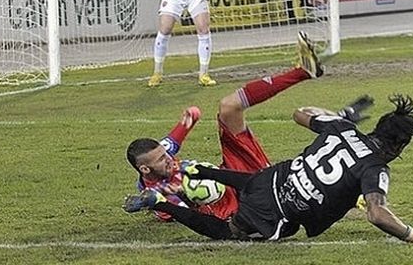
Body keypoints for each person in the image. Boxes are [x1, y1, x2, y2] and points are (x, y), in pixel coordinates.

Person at [124, 93, 413, 243]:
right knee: (226, 231)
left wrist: (340, 117)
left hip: (271, 178)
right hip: (277, 216)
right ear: (398, 146)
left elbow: (300, 113)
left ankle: (207, 173)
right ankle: (159, 202)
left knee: (257, 180)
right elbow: (377, 214)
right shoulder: (375, 168)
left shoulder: (342, 129)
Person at [124, 31, 324, 230]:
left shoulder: (161, 154)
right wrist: (183, 194)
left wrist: (189, 119)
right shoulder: (160, 194)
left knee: (229, 107)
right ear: (145, 169)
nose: (168, 158)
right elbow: (187, 215)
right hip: (236, 208)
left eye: (165, 153)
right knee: (292, 186)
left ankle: (303, 72)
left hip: (232, 174)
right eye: (160, 159)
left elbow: (192, 115)